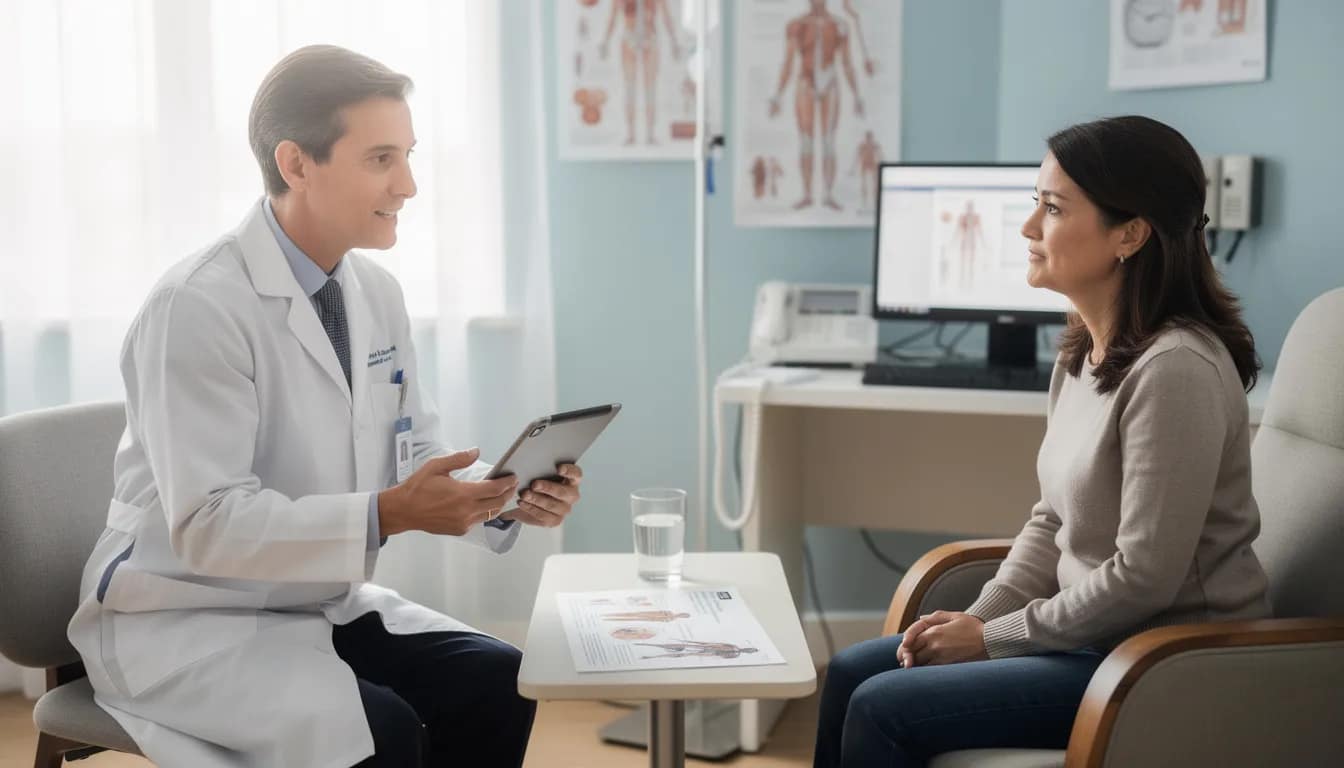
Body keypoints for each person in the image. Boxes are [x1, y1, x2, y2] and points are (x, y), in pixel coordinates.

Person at [67, 45, 584, 768]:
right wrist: (389, 512)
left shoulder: (375, 294)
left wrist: (501, 497)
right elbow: (208, 526)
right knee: (382, 733)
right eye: (381, 159)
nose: (408, 183)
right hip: (182, 616)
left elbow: (415, 453)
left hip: (311, 601)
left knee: (498, 682)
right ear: (296, 163)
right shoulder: (196, 306)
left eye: (408, 155)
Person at [813, 115, 1269, 767]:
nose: (1028, 228)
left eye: (1052, 209)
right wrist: (971, 620)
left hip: (1164, 660)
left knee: (881, 707)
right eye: (1036, 204)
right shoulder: (1084, 349)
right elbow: (1053, 518)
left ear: (1130, 233)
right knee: (855, 671)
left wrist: (991, 640)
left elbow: (1144, 579)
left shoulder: (1175, 371)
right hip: (1095, 640)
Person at [768, 0, 864, 211]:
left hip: (830, 83)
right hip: (806, 83)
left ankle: (828, 194)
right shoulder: (796, 25)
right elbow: (788, 61)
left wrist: (857, 95)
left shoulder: (839, 25)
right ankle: (807, 194)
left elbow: (847, 62)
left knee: (829, 141)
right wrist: (777, 96)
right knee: (806, 141)